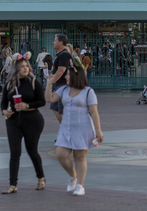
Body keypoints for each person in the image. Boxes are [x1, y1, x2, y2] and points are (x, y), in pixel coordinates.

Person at [44, 54, 104, 196]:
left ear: (76, 76)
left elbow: (94, 112)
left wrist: (98, 131)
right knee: (61, 154)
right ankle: (73, 176)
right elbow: (49, 98)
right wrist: (49, 84)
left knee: (79, 157)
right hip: (66, 128)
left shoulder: (88, 92)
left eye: (68, 75)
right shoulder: (63, 89)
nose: (66, 77)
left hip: (83, 129)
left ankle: (80, 186)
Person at [0, 55, 47, 194]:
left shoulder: (33, 82)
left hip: (32, 120)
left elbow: (42, 101)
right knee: (15, 152)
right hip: (13, 121)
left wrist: (27, 105)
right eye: (22, 67)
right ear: (16, 69)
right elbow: (3, 102)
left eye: (27, 66)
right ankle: (12, 185)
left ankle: (41, 177)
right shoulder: (9, 84)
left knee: (32, 151)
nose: (25, 69)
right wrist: (4, 111)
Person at [49, 34, 71, 124]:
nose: (53, 42)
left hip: (64, 85)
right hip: (60, 85)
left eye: (55, 40)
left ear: (61, 42)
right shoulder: (60, 54)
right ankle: (65, 128)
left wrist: (51, 82)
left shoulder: (64, 54)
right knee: (54, 107)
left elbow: (61, 70)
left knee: (62, 110)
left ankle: (67, 129)